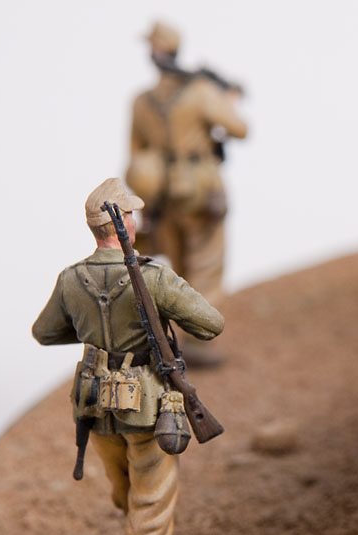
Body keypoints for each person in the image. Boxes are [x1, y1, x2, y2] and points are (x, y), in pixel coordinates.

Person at [32, 177, 224, 535]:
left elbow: (45, 332)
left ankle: (133, 532)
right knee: (152, 488)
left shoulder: (71, 279)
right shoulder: (153, 277)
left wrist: (93, 334)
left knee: (123, 484)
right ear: (126, 223)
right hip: (147, 404)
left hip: (93, 403)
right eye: (132, 213)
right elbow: (210, 324)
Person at [125, 20, 247, 366]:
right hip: (201, 191)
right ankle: (197, 343)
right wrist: (227, 101)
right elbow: (240, 128)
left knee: (178, 268)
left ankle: (177, 341)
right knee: (206, 264)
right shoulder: (201, 92)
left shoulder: (141, 101)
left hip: (163, 195)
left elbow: (133, 154)